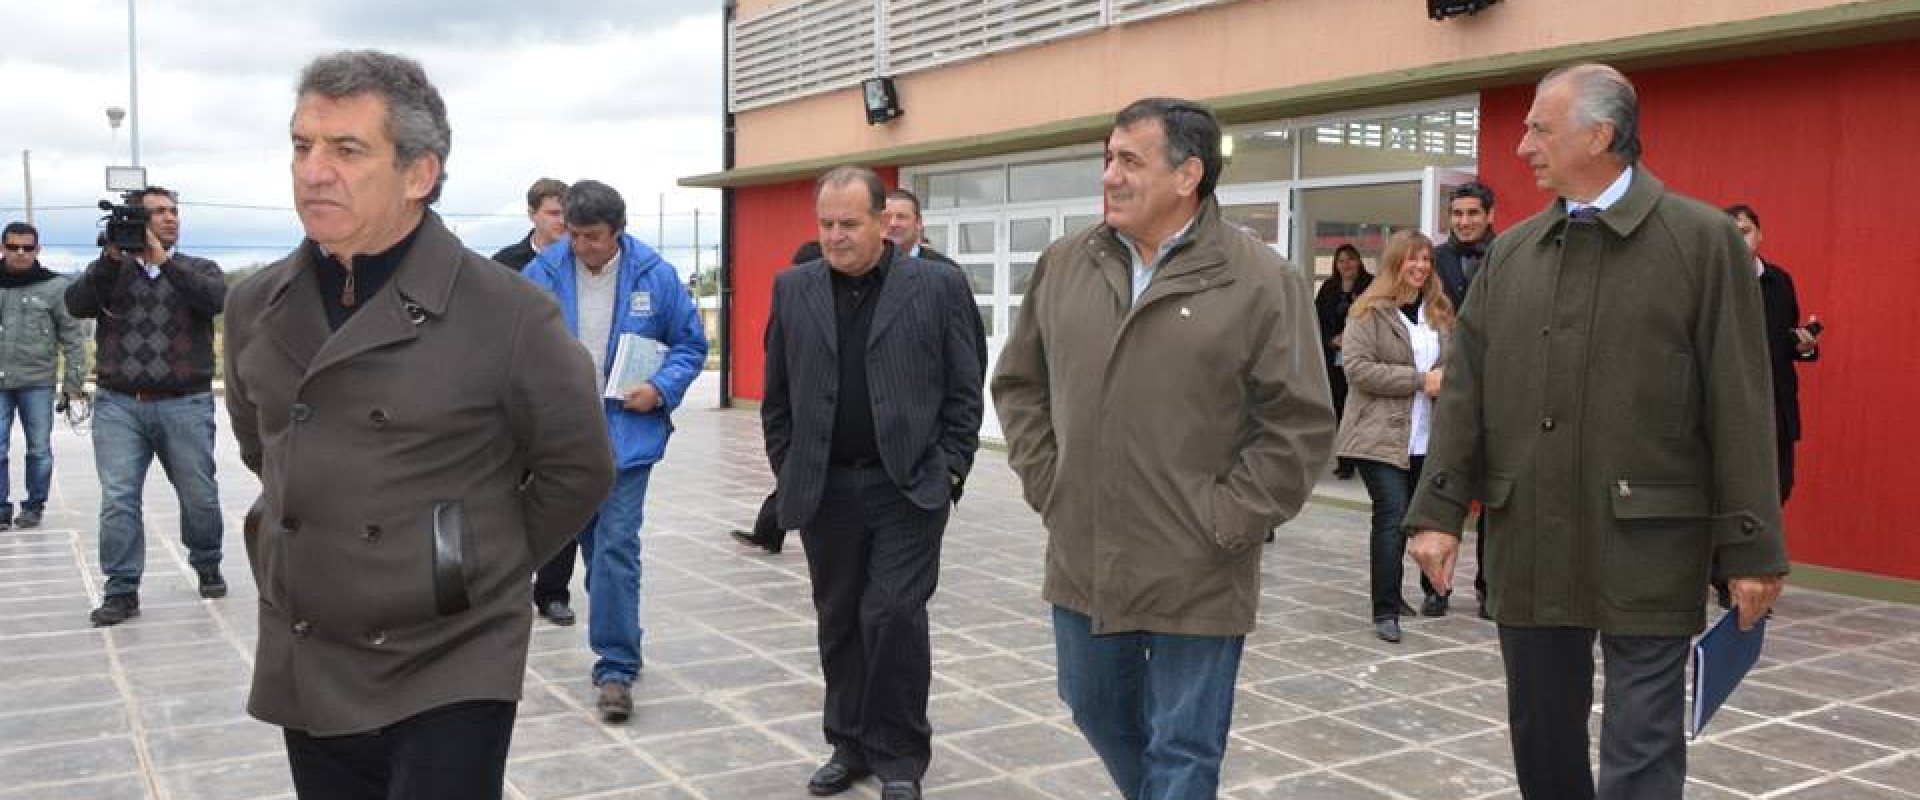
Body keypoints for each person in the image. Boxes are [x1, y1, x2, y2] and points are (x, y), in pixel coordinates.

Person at [223, 50, 614, 800]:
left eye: (346, 150)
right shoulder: (255, 307)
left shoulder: (507, 312)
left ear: (418, 173)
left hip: (451, 650)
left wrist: (466, 561)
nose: (313, 171)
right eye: (303, 146)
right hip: (313, 644)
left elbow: (578, 468)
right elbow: (263, 446)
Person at [1404, 64, 1788, 800]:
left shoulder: (1702, 243)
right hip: (1533, 538)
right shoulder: (1513, 255)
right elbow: (1467, 394)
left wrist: (1752, 549)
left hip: (1652, 542)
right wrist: (1438, 512)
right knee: (1542, 738)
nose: (1522, 148)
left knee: (1642, 750)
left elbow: (1741, 402)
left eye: (1539, 129)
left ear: (1600, 135)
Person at [993, 97, 1335, 800]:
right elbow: (1020, 383)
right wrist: (1048, 482)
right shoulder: (1066, 264)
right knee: (1094, 708)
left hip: (1200, 564)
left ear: (1188, 176)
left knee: (1184, 748)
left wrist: (1228, 518)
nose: (1110, 175)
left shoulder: (1261, 279)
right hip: (1085, 553)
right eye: (1108, 158)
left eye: (1130, 160)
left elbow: (1299, 424)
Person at [762, 166, 983, 800]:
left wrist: (951, 469)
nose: (835, 236)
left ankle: (901, 756)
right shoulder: (793, 288)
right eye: (825, 223)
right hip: (826, 488)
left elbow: (966, 387)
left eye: (848, 223)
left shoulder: (936, 287)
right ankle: (849, 743)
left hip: (908, 487)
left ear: (884, 222)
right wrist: (789, 464)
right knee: (838, 620)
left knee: (891, 615)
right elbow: (777, 396)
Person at [522, 179, 709, 723]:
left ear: (618, 233)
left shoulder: (655, 275)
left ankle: (615, 667)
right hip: (561, 441)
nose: (582, 247)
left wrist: (661, 390)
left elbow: (691, 344)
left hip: (627, 437)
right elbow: (515, 347)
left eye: (594, 237)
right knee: (594, 550)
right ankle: (620, 626)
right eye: (574, 234)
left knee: (617, 547)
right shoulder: (544, 274)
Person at [66, 186, 228, 626]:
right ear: (136, 220)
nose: (170, 218)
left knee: (199, 495)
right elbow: (76, 304)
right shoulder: (110, 272)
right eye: (158, 212)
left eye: (174, 211)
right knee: (118, 499)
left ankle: (207, 559)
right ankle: (121, 590)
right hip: (120, 404)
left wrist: (165, 264)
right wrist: (111, 259)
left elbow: (217, 300)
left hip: (185, 403)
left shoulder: (197, 268)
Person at [1333, 230, 1453, 643]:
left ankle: (1416, 594)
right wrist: (1421, 381)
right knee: (1392, 513)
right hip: (1377, 434)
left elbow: (1452, 367)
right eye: (1412, 260)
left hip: (1425, 435)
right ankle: (1384, 609)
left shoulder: (1438, 310)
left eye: (1426, 261)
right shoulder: (1368, 311)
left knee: (1415, 517)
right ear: (1394, 263)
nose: (1420, 268)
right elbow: (1358, 369)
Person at [1710, 203, 1819, 610]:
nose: (1740, 239)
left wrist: (1805, 345)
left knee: (1777, 489)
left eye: (1746, 231)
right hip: (1728, 408)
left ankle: (1735, 570)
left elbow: (1784, 340)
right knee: (1733, 494)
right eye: (1732, 232)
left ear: (1760, 235)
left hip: (1775, 406)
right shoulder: (1713, 281)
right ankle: (1731, 579)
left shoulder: (1779, 283)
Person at [1428, 181, 1498, 617]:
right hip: (1446, 388)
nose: (1464, 222)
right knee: (1443, 485)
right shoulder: (1432, 260)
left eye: (1473, 213)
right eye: (1457, 214)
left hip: (1497, 387)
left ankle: (1491, 587)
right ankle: (1437, 587)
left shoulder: (1510, 252)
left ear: (1489, 215)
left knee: (1495, 495)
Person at [730, 240, 822, 556]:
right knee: (793, 472)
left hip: (816, 409)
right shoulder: (794, 298)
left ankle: (768, 531)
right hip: (795, 405)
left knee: (796, 476)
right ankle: (768, 532)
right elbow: (775, 347)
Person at [0, 222, 86, 531]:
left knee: (38, 448)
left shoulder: (55, 287)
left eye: (27, 247)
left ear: (37, 249)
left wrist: (73, 385)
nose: (20, 253)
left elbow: (73, 337)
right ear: (2, 248)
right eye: (13, 247)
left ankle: (34, 506)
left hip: (37, 381)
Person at [1314, 243, 1372, 480]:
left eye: (1350, 259)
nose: (1346, 265)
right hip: (1335, 357)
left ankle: (1366, 460)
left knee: (1363, 409)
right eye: (1341, 260)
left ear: (1359, 261)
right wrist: (1331, 340)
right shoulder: (1329, 288)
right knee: (1340, 406)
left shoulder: (1371, 285)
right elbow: (1316, 320)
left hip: (1365, 356)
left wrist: (1352, 337)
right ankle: (1345, 461)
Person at [491, 178, 568, 270]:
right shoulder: (504, 263)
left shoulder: (583, 260)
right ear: (531, 214)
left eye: (567, 213)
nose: (563, 221)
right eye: (554, 213)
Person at [882, 189, 958, 267]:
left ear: (918, 222)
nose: (893, 223)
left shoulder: (944, 268)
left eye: (901, 217)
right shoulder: (870, 266)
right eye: (886, 217)